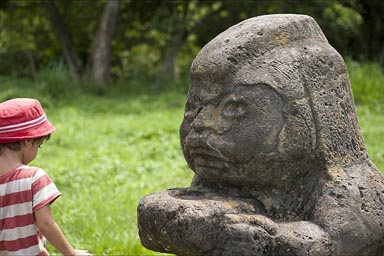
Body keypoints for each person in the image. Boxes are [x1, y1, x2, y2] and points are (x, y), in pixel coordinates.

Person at [0, 98, 90, 255]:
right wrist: (71, 253)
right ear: (27, 141)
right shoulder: (33, 178)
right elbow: (46, 224)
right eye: (39, 145)